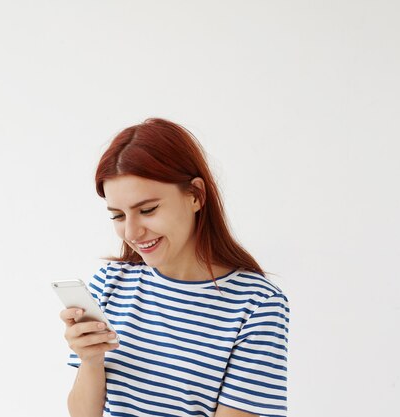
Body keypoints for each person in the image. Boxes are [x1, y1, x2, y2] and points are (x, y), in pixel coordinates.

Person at [59, 118, 289, 417]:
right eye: (117, 215)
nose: (131, 232)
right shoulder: (110, 283)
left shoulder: (257, 305)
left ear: (195, 195)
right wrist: (90, 360)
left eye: (148, 210)